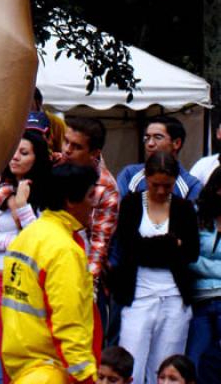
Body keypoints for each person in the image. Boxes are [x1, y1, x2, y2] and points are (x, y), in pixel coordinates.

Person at [1, 163, 99, 384]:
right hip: (51, 373)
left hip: (24, 372)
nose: (94, 203)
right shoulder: (64, 250)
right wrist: (87, 378)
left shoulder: (26, 238)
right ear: (71, 201)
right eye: (91, 195)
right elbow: (68, 325)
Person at [110, 152, 199, 384]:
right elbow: (128, 247)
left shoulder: (183, 207)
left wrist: (148, 247)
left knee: (168, 365)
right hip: (138, 294)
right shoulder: (131, 203)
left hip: (174, 296)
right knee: (132, 361)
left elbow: (191, 252)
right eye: (155, 185)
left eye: (167, 186)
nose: (160, 191)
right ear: (145, 178)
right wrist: (171, 243)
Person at [0, 130, 51, 380]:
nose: (15, 157)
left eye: (24, 153)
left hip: (27, 283)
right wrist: (15, 242)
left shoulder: (48, 194)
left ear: (37, 159)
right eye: (13, 151)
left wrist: (23, 205)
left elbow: (40, 240)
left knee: (25, 350)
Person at [59, 116, 119, 290]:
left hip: (79, 272)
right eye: (66, 142)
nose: (67, 150)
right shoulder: (55, 163)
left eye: (76, 146)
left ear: (95, 153)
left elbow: (99, 244)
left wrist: (87, 285)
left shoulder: (107, 187)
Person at [185, 165, 221, 375]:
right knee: (194, 362)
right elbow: (189, 258)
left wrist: (205, 265)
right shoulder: (197, 215)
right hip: (201, 300)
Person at [116, 117, 201, 200]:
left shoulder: (191, 185)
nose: (150, 143)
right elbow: (119, 210)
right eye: (147, 138)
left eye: (158, 137)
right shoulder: (129, 174)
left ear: (176, 143)